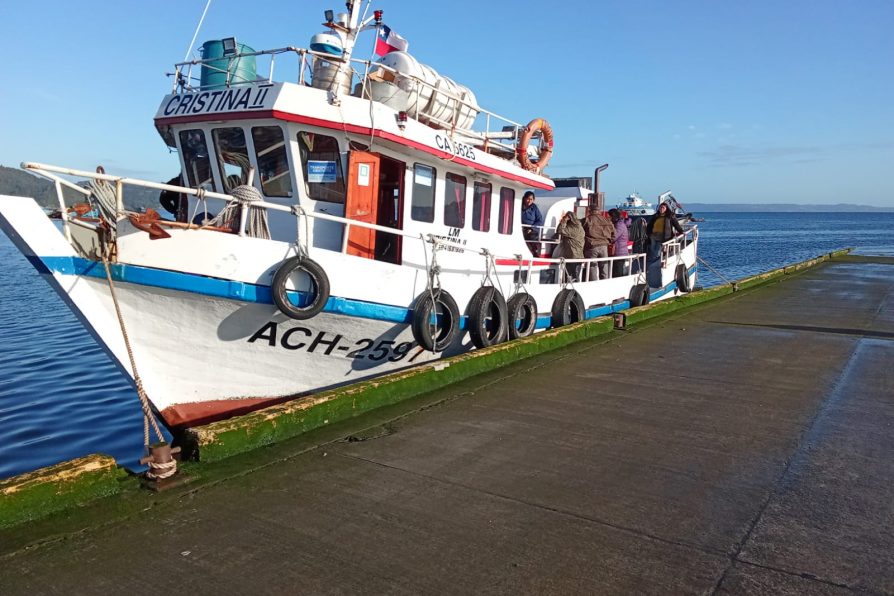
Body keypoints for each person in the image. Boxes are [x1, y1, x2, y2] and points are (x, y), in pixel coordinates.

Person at [582, 207, 615, 280]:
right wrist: (609, 241)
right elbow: (614, 234)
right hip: (604, 246)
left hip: (592, 246)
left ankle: (593, 283)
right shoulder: (606, 220)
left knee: (592, 267)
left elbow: (580, 232)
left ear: (590, 211)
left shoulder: (587, 220)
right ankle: (604, 282)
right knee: (604, 266)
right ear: (599, 211)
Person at [554, 210, 584, 281]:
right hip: (577, 256)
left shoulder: (573, 229)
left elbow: (560, 230)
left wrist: (564, 220)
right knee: (574, 276)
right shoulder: (579, 226)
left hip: (573, 256)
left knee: (573, 277)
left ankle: (573, 290)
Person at [520, 191, 544, 255]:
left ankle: (535, 253)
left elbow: (540, 220)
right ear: (524, 198)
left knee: (533, 237)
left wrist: (531, 228)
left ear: (533, 200)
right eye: (528, 199)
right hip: (521, 227)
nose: (529, 201)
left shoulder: (534, 208)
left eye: (531, 199)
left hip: (532, 229)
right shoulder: (519, 206)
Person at [608, 208, 630, 277]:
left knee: (618, 271)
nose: (609, 218)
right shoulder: (620, 224)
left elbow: (614, 237)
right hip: (620, 251)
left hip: (619, 252)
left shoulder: (619, 225)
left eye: (610, 216)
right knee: (616, 270)